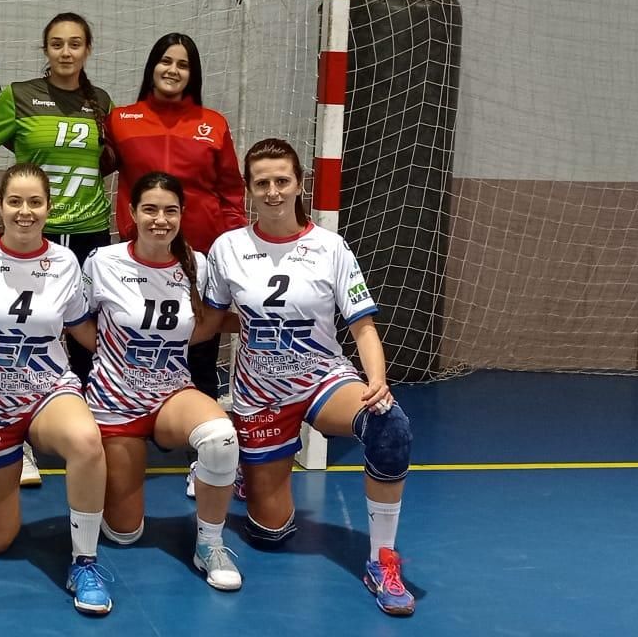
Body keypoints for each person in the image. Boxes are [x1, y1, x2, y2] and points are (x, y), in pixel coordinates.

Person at [204, 138, 416, 616]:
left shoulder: (330, 247)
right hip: (259, 394)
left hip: (323, 379)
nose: (274, 191)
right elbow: (211, 323)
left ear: (301, 183)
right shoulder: (228, 248)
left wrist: (376, 380)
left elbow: (362, 324)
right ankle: (249, 469)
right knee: (270, 533)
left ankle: (382, 559)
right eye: (263, 183)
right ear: (248, 190)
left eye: (283, 180)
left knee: (389, 425)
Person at [0, 164, 114, 615]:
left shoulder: (64, 261)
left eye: (35, 202)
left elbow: (82, 328)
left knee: (85, 440)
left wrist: (137, 349)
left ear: (49, 208)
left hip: (47, 391)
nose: (25, 212)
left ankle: (85, 560)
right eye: (15, 202)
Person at [82, 172, 242, 592]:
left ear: (181, 215)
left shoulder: (199, 265)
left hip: (172, 393)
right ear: (132, 213)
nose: (160, 219)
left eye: (170, 210)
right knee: (124, 533)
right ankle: (105, 493)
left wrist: (258, 323)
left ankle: (210, 544)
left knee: (221, 437)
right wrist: (108, 351)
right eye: (150, 209)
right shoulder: (103, 261)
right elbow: (75, 321)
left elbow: (205, 324)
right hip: (114, 402)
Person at [108, 32, 246, 495]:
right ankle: (122, 438)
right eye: (165, 60)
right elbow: (82, 161)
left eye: (182, 64)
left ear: (193, 73)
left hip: (199, 257)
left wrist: (231, 250)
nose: (172, 70)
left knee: (200, 350)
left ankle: (204, 457)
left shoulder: (213, 123)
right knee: (134, 348)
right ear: (151, 66)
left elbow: (230, 192)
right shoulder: (121, 119)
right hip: (140, 258)